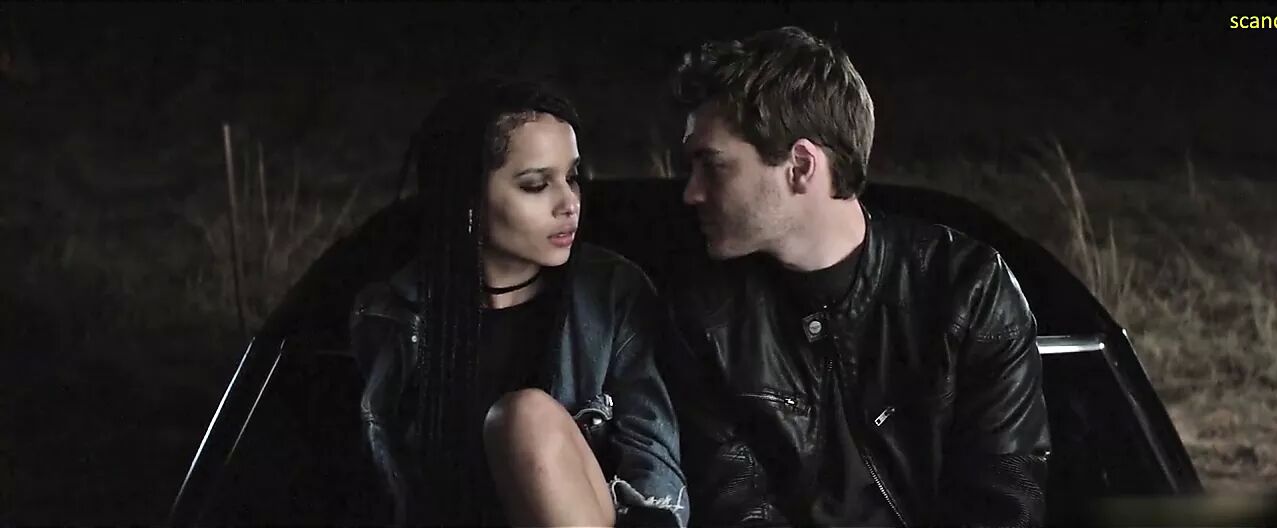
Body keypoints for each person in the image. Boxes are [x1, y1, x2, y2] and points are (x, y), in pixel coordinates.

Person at [659, 27, 1051, 527]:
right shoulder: (705, 313)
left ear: (800, 166)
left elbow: (1004, 508)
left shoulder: (967, 289)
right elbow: (735, 505)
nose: (691, 192)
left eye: (712, 167)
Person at [349, 78, 688, 527]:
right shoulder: (390, 314)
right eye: (536, 185)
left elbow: (654, 465)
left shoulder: (610, 294)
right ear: (469, 200)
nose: (569, 203)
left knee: (524, 419)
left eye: (572, 177)